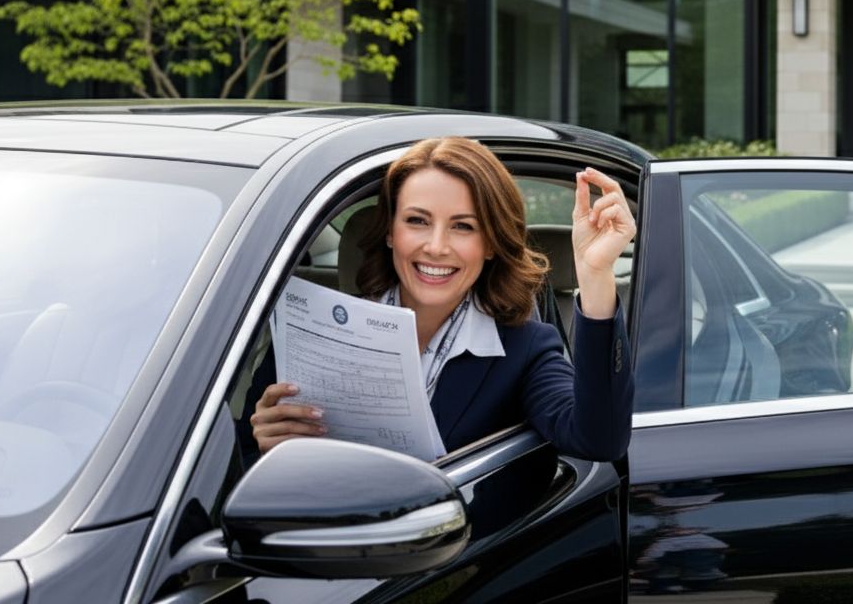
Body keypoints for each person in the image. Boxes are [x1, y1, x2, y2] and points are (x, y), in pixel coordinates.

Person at [246, 137, 635, 462]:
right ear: (389, 233)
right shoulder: (309, 332)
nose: (436, 247)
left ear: (490, 245)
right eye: (417, 221)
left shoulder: (523, 349)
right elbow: (232, 473)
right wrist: (262, 444)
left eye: (463, 227)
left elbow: (598, 440)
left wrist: (596, 275)